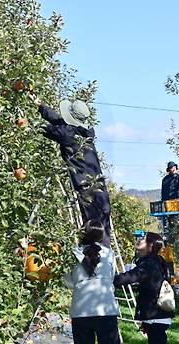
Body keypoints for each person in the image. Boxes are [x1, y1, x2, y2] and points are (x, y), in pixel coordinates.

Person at [63, 220, 134, 344]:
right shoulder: (109, 254)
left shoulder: (73, 254)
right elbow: (111, 278)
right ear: (101, 235)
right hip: (105, 310)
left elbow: (68, 282)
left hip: (81, 312)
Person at [31, 94, 112, 246]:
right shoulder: (84, 134)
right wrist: (41, 106)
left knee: (92, 235)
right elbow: (60, 122)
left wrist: (28, 119)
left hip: (88, 193)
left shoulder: (68, 135)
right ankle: (104, 266)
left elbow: (48, 128)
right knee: (103, 234)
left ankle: (92, 266)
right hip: (101, 192)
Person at [114, 232, 178, 344]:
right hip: (157, 315)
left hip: (155, 314)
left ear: (150, 246)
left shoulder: (149, 263)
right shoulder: (155, 262)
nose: (138, 241)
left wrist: (111, 279)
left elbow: (132, 277)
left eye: (142, 240)